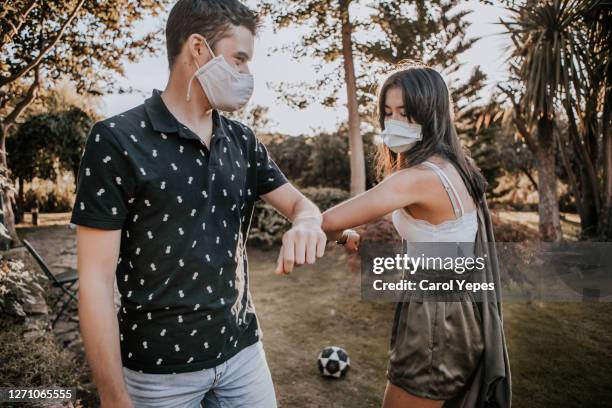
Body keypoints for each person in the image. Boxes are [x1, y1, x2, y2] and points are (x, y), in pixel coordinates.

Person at [71, 1, 327, 407]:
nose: (247, 75)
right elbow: (96, 282)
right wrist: (113, 396)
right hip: (157, 374)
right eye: (239, 60)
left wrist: (308, 222)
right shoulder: (116, 139)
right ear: (197, 48)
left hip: (243, 355)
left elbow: (301, 205)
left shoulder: (243, 140)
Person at [323, 63, 511, 408]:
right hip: (459, 312)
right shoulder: (456, 166)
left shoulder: (416, 179)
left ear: (431, 114)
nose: (394, 122)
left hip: (435, 324)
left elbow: (327, 222)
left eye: (406, 113)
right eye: (388, 112)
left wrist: (341, 235)